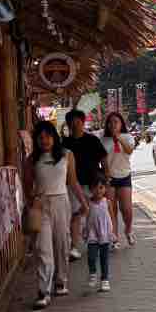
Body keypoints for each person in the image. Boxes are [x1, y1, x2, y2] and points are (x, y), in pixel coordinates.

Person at [23, 120, 88, 310]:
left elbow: (73, 182)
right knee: (43, 248)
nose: (44, 140)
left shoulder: (67, 155)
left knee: (62, 244)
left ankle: (61, 281)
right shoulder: (31, 160)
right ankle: (43, 291)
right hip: (41, 205)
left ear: (54, 137)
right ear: (36, 140)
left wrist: (84, 203)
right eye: (40, 137)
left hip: (61, 202)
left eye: (48, 136)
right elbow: (26, 184)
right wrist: (32, 200)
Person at [62, 108, 108, 261]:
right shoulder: (65, 143)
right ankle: (74, 247)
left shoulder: (92, 140)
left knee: (94, 214)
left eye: (77, 121)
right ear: (68, 124)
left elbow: (104, 159)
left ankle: (100, 241)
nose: (74, 125)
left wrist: (106, 180)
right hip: (73, 185)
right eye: (71, 122)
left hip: (93, 184)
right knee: (76, 215)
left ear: (83, 122)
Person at [103, 111, 136, 247]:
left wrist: (119, 138)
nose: (113, 125)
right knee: (112, 210)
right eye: (110, 122)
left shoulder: (128, 137)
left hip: (124, 176)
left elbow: (129, 150)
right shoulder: (103, 139)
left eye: (116, 122)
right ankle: (114, 237)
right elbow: (102, 158)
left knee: (126, 209)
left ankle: (128, 230)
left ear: (121, 124)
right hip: (109, 178)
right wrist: (105, 174)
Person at [84, 176, 113, 293]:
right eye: (95, 188)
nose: (98, 190)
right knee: (91, 256)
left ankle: (105, 280)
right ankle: (93, 273)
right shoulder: (88, 203)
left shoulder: (107, 202)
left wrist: (113, 233)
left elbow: (112, 217)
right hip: (92, 234)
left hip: (104, 234)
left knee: (104, 258)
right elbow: (83, 215)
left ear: (105, 188)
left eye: (101, 187)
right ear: (90, 189)